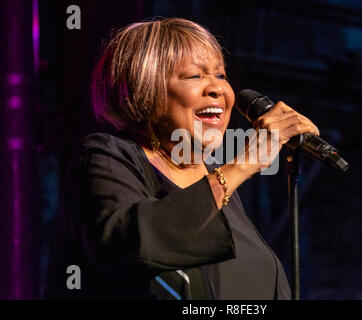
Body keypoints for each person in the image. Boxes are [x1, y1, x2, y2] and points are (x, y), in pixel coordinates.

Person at [45, 18, 320, 300]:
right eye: (194, 76)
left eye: (221, 75)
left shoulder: (215, 179)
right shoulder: (107, 157)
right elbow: (126, 246)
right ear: (145, 88)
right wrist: (244, 162)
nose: (217, 89)